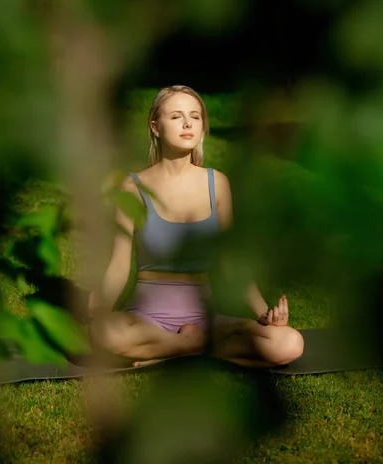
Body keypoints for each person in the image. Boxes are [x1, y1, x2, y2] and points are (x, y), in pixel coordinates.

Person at [89, 85, 304, 368]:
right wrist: (100, 307)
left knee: (290, 343)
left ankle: (173, 350)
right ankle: (192, 347)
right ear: (155, 126)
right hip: (147, 320)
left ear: (203, 126)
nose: (188, 123)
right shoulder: (132, 187)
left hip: (207, 319)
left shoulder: (218, 184)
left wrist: (265, 314)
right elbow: (119, 263)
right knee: (102, 334)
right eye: (176, 116)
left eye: (195, 116)